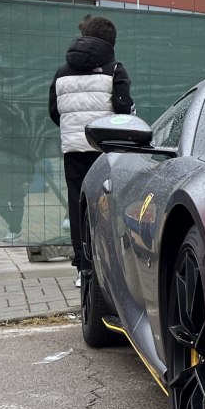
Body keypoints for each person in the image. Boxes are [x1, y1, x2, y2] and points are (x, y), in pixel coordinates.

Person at [49, 15, 134, 286]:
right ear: (111, 42)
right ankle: (109, 267)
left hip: (74, 149)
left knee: (78, 207)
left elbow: (54, 112)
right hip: (106, 152)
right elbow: (124, 109)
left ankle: (82, 269)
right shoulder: (115, 69)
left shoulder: (62, 72)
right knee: (109, 207)